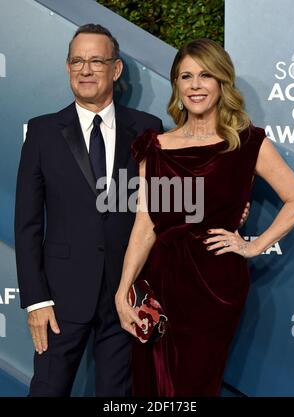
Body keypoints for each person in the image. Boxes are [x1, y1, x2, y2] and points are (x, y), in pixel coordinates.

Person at [115, 38, 294, 396]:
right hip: (159, 282)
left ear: (221, 82)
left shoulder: (247, 143)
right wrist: (123, 290)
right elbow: (145, 224)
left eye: (205, 75)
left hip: (214, 285)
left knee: (194, 385)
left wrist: (254, 245)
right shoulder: (155, 147)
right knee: (150, 384)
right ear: (176, 85)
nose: (196, 85)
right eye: (186, 76)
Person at [14, 23, 163, 397]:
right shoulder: (42, 132)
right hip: (59, 300)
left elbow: (163, 204)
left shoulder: (147, 130)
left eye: (96, 61)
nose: (85, 70)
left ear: (115, 70)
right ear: (67, 68)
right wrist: (36, 299)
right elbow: (27, 224)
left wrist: (228, 212)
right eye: (77, 61)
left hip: (125, 294)